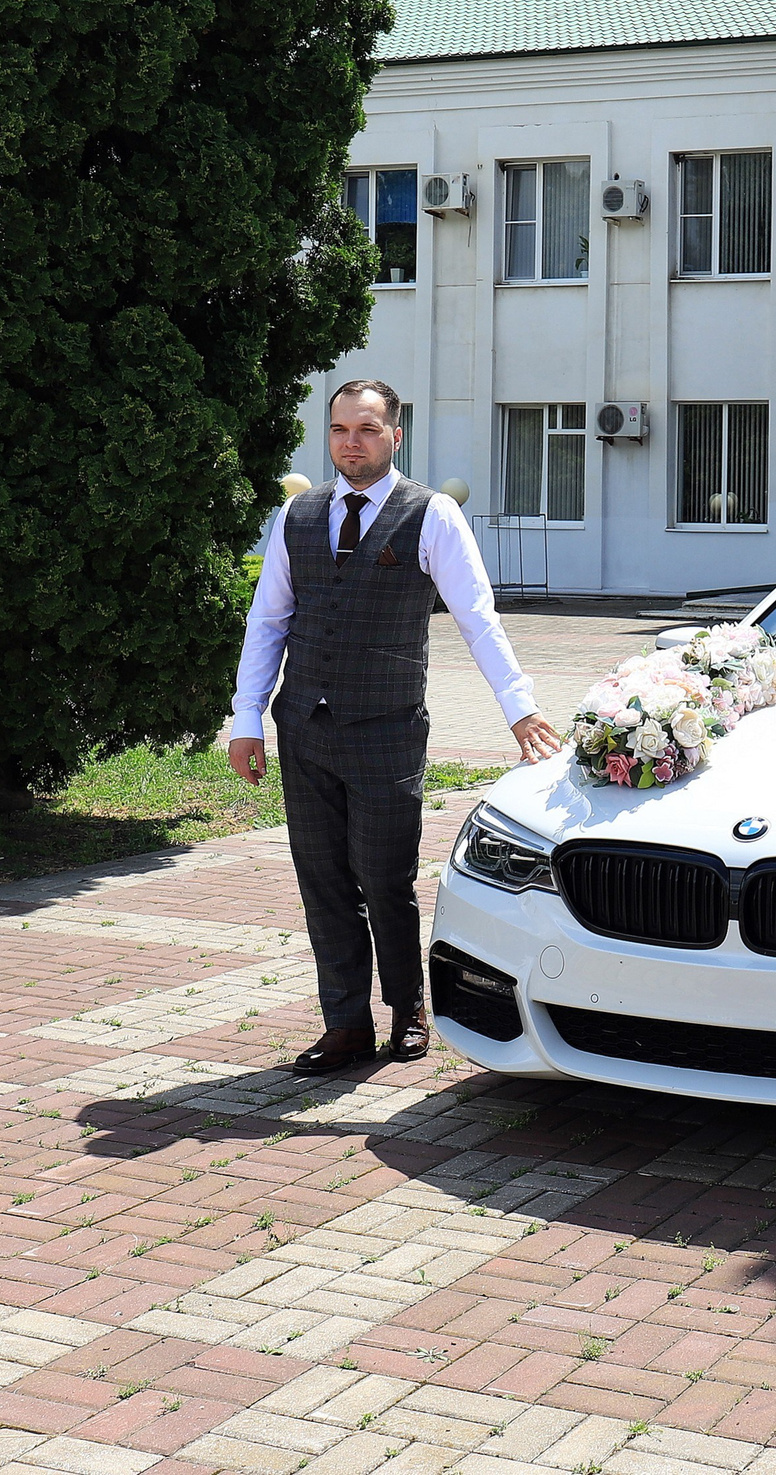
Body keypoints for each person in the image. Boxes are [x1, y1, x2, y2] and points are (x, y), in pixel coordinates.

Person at [229, 380, 562, 1076]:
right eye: (341, 428)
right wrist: (247, 718)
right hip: (306, 725)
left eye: (368, 429)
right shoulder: (299, 513)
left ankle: (407, 1010)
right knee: (322, 879)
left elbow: (477, 615)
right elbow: (268, 621)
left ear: (396, 436)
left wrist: (519, 706)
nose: (352, 441)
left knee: (384, 878)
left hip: (386, 727)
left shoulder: (432, 514)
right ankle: (344, 1024)